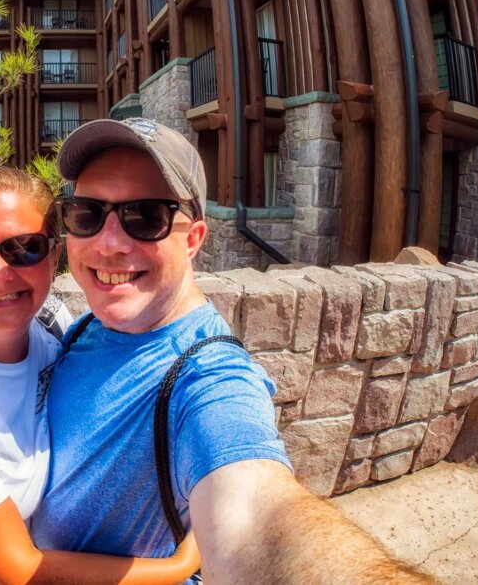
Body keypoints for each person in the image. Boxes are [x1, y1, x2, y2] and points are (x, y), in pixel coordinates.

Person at [31, 118, 431, 583]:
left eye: (146, 217)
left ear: (195, 238)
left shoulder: (207, 375)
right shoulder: (89, 326)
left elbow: (257, 517)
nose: (110, 243)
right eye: (87, 213)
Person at [0, 165, 201, 584]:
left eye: (23, 248)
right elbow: (24, 570)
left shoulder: (50, 324)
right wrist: (182, 563)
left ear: (54, 254)